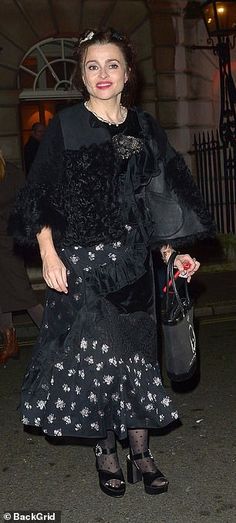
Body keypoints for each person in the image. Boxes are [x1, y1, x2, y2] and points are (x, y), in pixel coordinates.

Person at [9, 28, 215, 498]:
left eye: (112, 65)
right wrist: (47, 253)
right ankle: (106, 451)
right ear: (82, 76)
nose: (103, 74)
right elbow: (38, 195)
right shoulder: (64, 126)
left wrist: (174, 252)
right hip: (82, 264)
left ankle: (141, 451)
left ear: (127, 75)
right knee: (98, 361)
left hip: (135, 264)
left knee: (138, 361)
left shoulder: (145, 128)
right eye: (92, 66)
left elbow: (160, 201)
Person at [0, 151, 44, 365]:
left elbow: (26, 205)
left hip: (9, 242)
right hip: (5, 241)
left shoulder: (11, 174)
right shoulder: (11, 172)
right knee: (3, 292)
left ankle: (56, 338)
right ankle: (10, 342)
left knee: (23, 294)